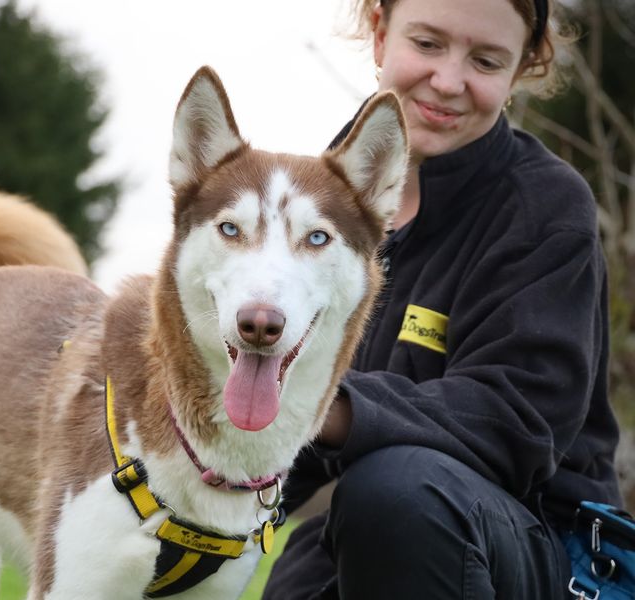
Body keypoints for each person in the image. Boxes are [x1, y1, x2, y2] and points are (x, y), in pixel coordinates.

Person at [262, 0, 624, 598]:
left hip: (541, 552)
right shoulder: (325, 204)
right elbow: (282, 437)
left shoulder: (547, 208)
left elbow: (516, 423)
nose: (449, 81)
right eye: (427, 44)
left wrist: (319, 402)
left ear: (523, 67)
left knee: (397, 490)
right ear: (379, 34)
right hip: (370, 539)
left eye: (485, 60)